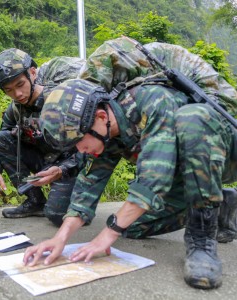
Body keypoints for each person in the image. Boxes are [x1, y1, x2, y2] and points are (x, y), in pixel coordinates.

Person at [24, 72, 237, 288]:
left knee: (192, 117)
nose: (80, 149)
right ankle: (219, 203)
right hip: (186, 174)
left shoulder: (154, 101)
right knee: (130, 227)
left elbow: (153, 179)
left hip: (224, 155)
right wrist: (60, 238)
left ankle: (202, 240)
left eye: (79, 141)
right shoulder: (104, 129)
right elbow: (88, 185)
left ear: (100, 117)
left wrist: (106, 236)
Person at [0, 48, 85, 224]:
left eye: (20, 85)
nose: (17, 94)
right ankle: (35, 201)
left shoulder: (61, 100)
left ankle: (81, 200)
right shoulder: (16, 108)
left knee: (58, 216)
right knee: (2, 139)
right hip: (47, 160)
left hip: (72, 165)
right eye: (8, 90)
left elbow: (88, 147)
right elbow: (3, 132)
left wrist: (62, 169)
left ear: (32, 73)